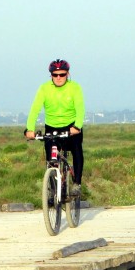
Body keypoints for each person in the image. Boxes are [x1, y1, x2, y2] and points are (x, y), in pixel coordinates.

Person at [24, 58, 85, 196]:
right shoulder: (44, 88)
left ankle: (77, 183)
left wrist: (77, 126)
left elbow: (80, 109)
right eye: (55, 75)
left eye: (62, 74)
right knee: (51, 158)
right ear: (51, 75)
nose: (58, 78)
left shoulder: (74, 87)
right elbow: (35, 109)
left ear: (67, 74)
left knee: (76, 150)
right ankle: (52, 189)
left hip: (71, 127)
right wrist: (29, 129)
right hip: (52, 127)